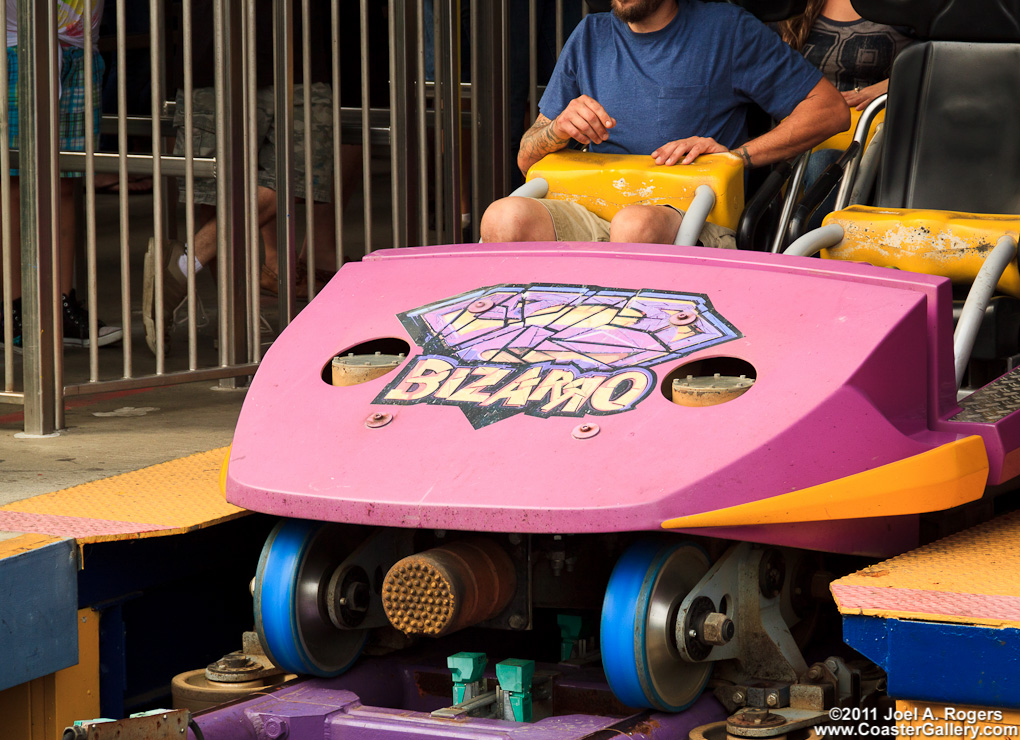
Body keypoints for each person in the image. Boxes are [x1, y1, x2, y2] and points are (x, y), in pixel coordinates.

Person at [479, 0, 848, 247]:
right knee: (503, 216)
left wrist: (738, 156)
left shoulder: (727, 28)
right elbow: (527, 159)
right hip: (593, 207)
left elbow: (829, 110)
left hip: (693, 218)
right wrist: (557, 129)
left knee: (634, 225)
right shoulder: (589, 34)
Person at [142, 0, 362, 356]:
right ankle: (234, 325)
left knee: (298, 181)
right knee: (217, 192)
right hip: (217, 53)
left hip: (300, 54)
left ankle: (183, 265)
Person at [1, 0, 123, 352]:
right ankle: (13, 309)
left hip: (79, 46)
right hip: (17, 45)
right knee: (16, 180)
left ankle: (60, 302)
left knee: (65, 180)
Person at [776, 0, 914, 227]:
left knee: (823, 164)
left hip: (877, 142)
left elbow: (941, 59)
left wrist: (891, 84)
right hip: (808, 136)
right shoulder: (795, 8)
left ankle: (816, 256)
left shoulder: (903, 7)